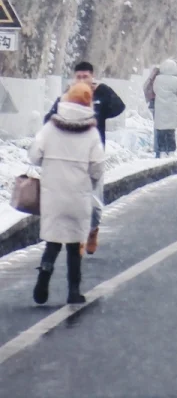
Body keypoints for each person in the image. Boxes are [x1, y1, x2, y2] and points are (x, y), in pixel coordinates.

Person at [27, 81, 105, 307]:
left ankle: (44, 275)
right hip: (78, 196)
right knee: (73, 245)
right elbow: (98, 167)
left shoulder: (50, 128)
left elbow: (34, 155)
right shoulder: (91, 133)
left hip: (53, 195)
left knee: (53, 241)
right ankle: (73, 290)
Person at [45, 57, 125, 255]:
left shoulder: (101, 93)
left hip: (94, 157)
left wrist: (102, 92)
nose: (82, 79)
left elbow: (118, 107)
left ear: (92, 77)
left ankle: (93, 229)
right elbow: (49, 118)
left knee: (95, 204)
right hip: (70, 158)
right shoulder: (67, 96)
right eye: (78, 77)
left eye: (85, 77)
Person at [148, 58, 177, 158]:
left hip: (160, 106)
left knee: (160, 129)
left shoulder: (158, 79)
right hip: (171, 106)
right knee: (170, 130)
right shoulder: (176, 80)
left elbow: (155, 89)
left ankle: (162, 150)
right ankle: (171, 149)